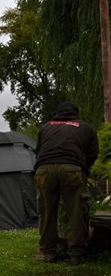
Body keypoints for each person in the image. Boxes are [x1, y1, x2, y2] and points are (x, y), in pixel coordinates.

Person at [34, 102, 98, 266]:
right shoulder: (85, 127)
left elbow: (39, 150)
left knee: (47, 212)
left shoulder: (45, 127)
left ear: (57, 113)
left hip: (44, 169)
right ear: (76, 113)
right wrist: (81, 170)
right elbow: (92, 153)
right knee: (76, 212)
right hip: (72, 168)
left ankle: (48, 252)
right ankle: (76, 254)